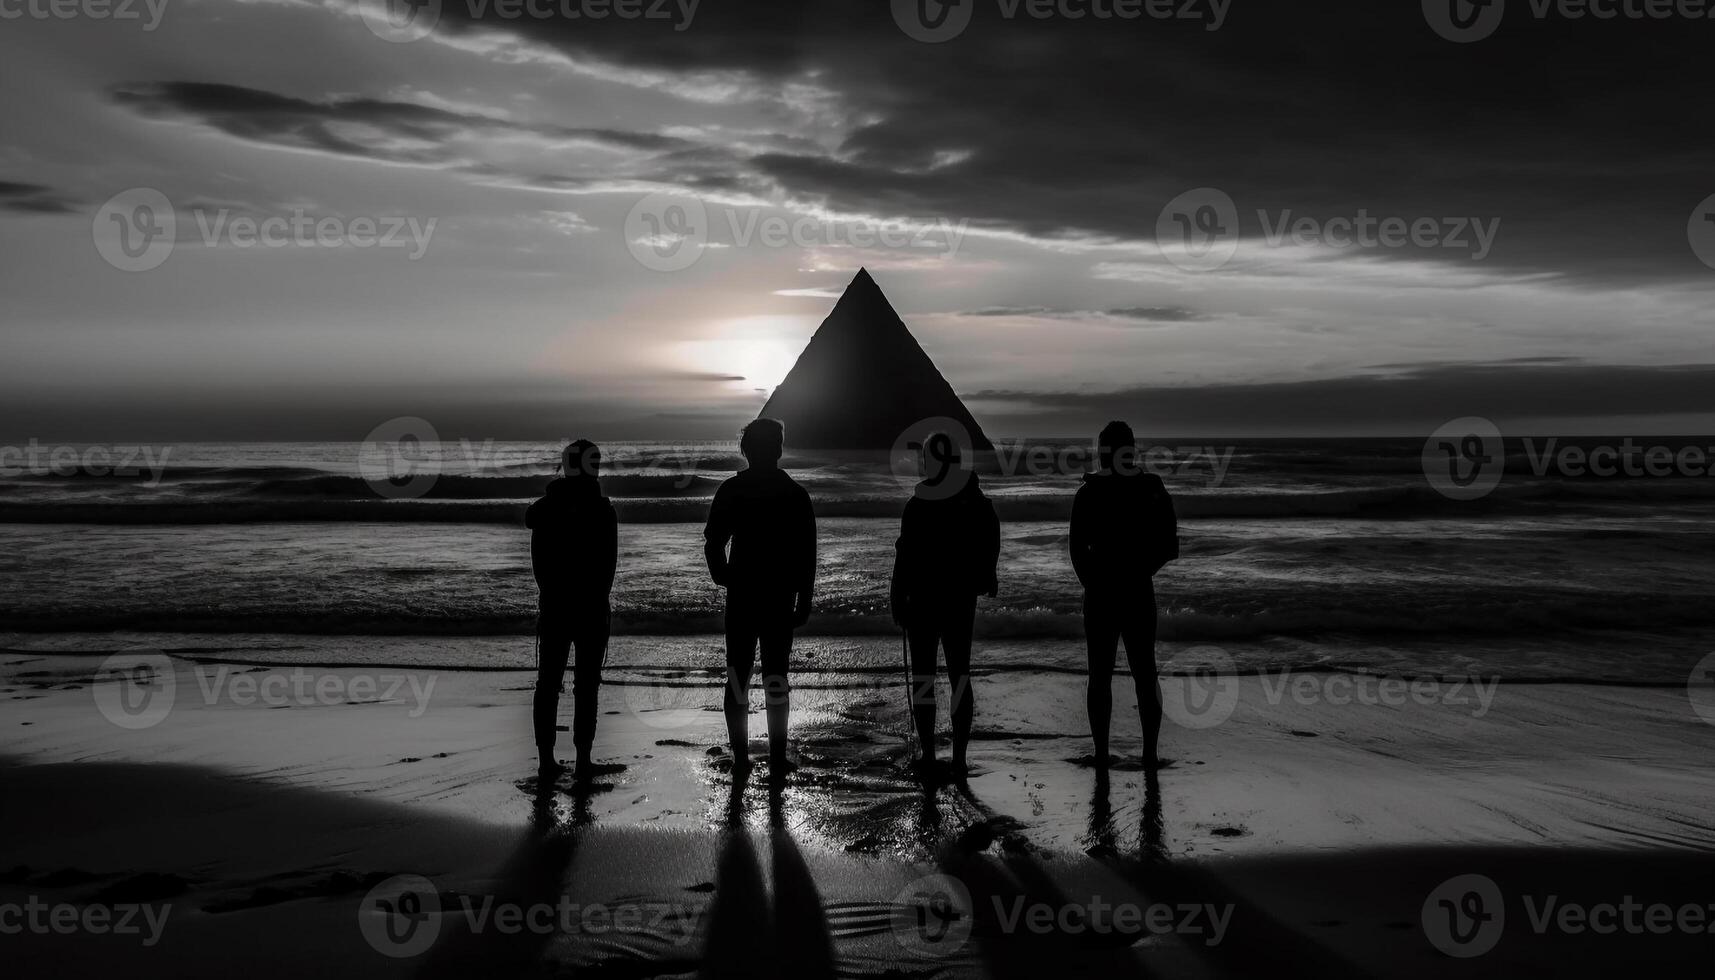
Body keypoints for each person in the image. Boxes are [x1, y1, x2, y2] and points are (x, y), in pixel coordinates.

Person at [704, 418, 816, 781]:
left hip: (743, 595)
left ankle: (741, 758)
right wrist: (805, 597)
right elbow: (807, 553)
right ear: (778, 450)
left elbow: (713, 541)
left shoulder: (733, 490)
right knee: (776, 678)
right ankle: (777, 757)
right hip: (778, 596)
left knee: (738, 675)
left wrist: (722, 575)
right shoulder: (795, 494)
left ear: (747, 450)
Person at [1070, 421, 1178, 770]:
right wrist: (1142, 570)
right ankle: (1146, 754)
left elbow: (1076, 549)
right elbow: (1168, 543)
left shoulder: (1095, 492)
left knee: (1105, 676)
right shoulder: (1147, 488)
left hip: (1108, 592)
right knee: (1141, 675)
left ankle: (1107, 754)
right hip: (1132, 591)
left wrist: (1094, 580)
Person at [890, 432, 999, 777]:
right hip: (959, 599)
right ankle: (960, 758)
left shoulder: (919, 504)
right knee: (959, 676)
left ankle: (928, 754)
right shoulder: (975, 501)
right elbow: (991, 540)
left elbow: (904, 555)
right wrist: (986, 576)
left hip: (923, 600)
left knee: (925, 677)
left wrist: (897, 597)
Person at [526, 440, 618, 780]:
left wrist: (548, 591)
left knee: (548, 683)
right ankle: (582, 760)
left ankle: (546, 760)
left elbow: (539, 559)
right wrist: (599, 598)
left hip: (555, 603)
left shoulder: (546, 508)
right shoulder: (602, 509)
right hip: (591, 604)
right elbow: (608, 563)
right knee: (585, 685)